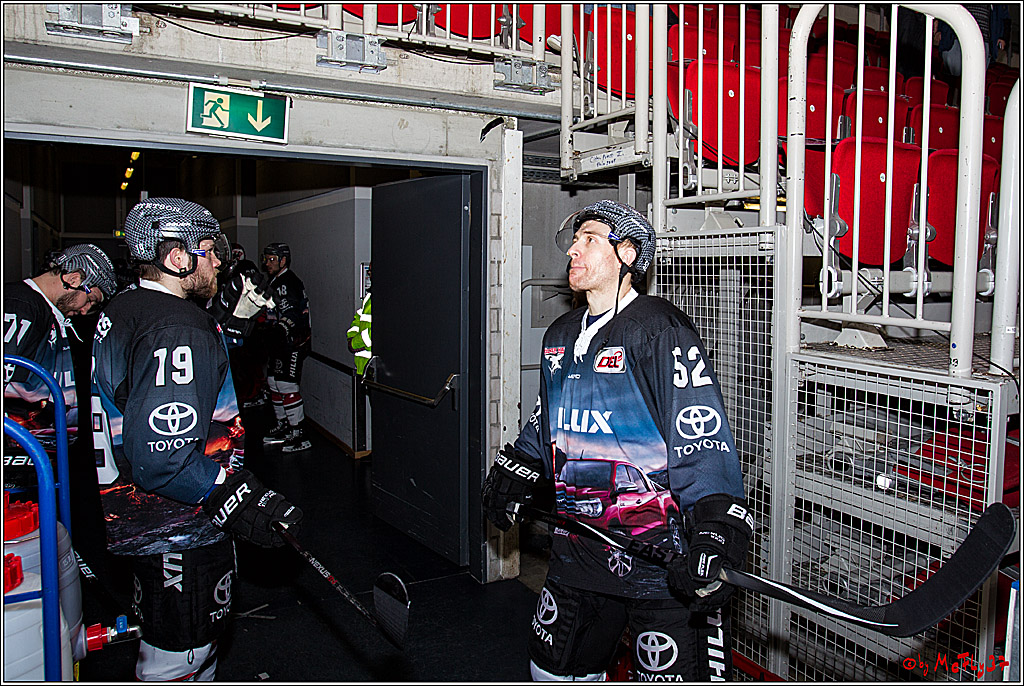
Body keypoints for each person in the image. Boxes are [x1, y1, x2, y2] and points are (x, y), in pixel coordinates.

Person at [481, 200, 752, 681]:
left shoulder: (659, 327)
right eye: (574, 241)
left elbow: (700, 429)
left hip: (657, 567)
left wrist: (716, 522)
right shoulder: (561, 334)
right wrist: (517, 466)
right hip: (577, 553)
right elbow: (550, 420)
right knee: (550, 672)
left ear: (627, 254)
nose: (573, 251)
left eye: (589, 239)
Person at [91, 198, 303, 681]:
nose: (218, 261)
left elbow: (165, 383)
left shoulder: (127, 306)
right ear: (176, 258)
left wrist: (231, 327)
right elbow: (161, 460)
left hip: (141, 516)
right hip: (178, 521)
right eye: (207, 250)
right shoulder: (175, 324)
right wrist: (233, 493)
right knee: (181, 656)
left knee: (169, 644)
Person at [3, 243, 116, 489]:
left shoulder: (43, 309)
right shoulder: (21, 305)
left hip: (34, 451)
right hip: (16, 455)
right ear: (73, 279)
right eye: (90, 300)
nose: (86, 310)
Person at [260, 242, 313, 453]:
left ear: (283, 260)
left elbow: (291, 315)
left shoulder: (288, 282)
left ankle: (298, 432)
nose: (267, 263)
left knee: (286, 385)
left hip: (293, 342)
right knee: (273, 382)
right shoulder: (275, 281)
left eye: (272, 259)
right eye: (266, 259)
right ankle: (284, 425)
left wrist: (279, 331)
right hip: (279, 342)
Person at [207, 243, 274, 409]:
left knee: (246, 365)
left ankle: (252, 393)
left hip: (247, 331)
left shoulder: (245, 269)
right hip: (224, 333)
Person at [346, 262, 372, 375]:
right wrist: (351, 337)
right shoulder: (369, 297)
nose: (369, 274)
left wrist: (355, 343)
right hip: (362, 367)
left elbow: (378, 332)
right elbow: (357, 320)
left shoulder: (386, 298)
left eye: (371, 271)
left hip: (374, 368)